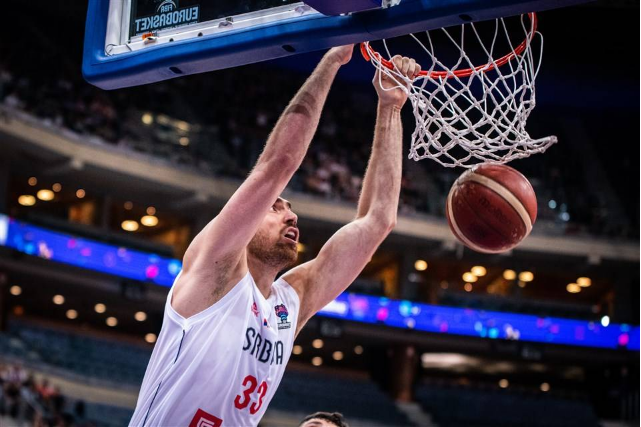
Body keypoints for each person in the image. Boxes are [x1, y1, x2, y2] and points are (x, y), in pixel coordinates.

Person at [129, 44, 420, 426]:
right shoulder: (214, 267)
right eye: (275, 207)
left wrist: (391, 108)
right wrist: (332, 59)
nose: (291, 214)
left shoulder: (291, 302)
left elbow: (378, 220)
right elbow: (278, 164)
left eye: (290, 209)